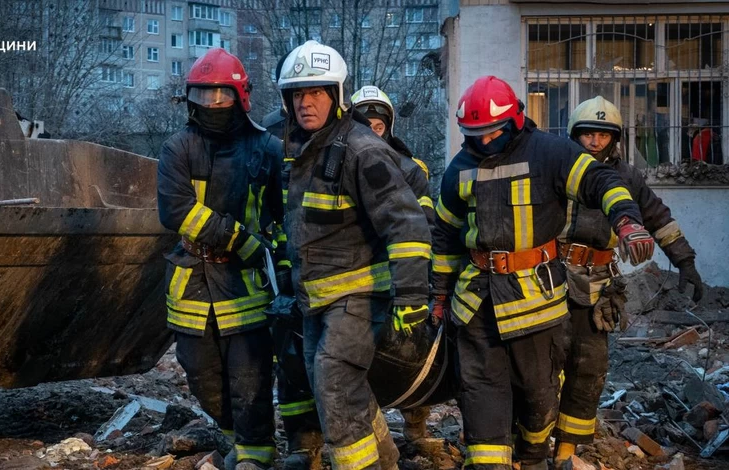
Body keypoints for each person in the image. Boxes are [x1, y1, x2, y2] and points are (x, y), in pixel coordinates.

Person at [430, 76, 655, 470]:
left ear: (516, 121)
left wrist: (627, 222)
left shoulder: (550, 153)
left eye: (493, 132)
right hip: (477, 300)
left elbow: (601, 180)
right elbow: (446, 239)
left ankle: (532, 455)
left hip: (534, 301)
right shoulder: (459, 169)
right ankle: (489, 463)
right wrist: (439, 297)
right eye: (475, 134)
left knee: (538, 394)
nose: (483, 142)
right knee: (481, 389)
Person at [278, 40, 432, 470]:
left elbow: (407, 225)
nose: (305, 103)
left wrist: (411, 297)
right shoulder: (304, 151)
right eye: (297, 94)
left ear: (338, 96)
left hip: (360, 295)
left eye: (316, 93)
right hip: (317, 299)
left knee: (334, 385)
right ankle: (385, 459)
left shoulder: (362, 150)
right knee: (334, 383)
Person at [553, 96, 704, 466]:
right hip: (551, 277)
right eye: (587, 134)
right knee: (540, 362)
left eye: (603, 136)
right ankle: (529, 440)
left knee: (588, 365)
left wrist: (686, 262)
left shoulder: (628, 177)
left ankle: (566, 451)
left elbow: (659, 219)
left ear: (615, 139)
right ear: (574, 135)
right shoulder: (556, 166)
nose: (594, 142)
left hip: (596, 285)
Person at [157, 48, 283, 470]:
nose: (211, 105)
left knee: (250, 375)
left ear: (239, 96)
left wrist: (273, 255)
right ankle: (234, 439)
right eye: (203, 96)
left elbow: (285, 214)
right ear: (190, 98)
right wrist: (239, 238)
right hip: (192, 279)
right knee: (200, 374)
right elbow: (176, 211)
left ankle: (255, 452)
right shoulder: (177, 147)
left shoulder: (268, 149)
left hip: (245, 284)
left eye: (220, 96)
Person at [351, 84, 439, 445]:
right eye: (364, 123)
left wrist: (420, 274)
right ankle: (368, 431)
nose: (372, 130)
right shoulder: (339, 162)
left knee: (414, 347)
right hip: (359, 274)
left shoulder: (412, 168)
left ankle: (415, 423)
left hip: (402, 272)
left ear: (389, 125)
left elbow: (425, 221)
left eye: (378, 124)